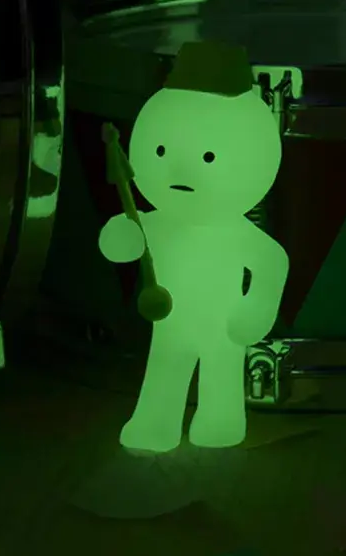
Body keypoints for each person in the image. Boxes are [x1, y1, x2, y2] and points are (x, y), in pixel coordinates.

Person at [100, 42, 288, 452]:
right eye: (161, 151)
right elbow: (123, 244)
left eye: (208, 157)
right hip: (170, 322)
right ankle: (156, 423)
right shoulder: (159, 222)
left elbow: (273, 262)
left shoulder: (235, 231)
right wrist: (121, 235)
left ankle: (221, 419)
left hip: (223, 326)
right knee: (165, 368)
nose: (180, 170)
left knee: (220, 372)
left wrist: (257, 309)